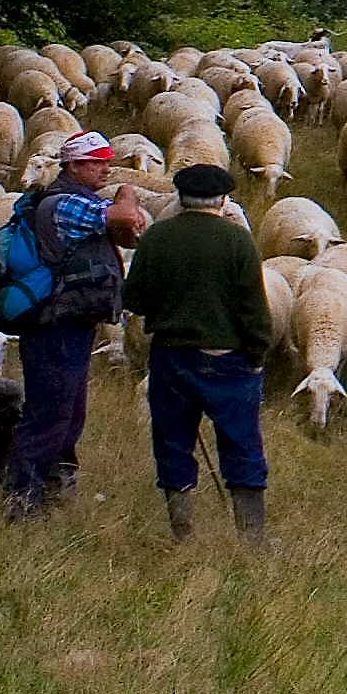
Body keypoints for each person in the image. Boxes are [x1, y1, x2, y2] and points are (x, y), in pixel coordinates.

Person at [122, 162, 275, 545]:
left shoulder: (157, 237)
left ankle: (182, 532)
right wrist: (257, 355)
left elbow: (134, 299)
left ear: (180, 197)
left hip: (172, 358)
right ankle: (252, 538)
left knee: (173, 440)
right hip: (230, 359)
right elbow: (254, 308)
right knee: (241, 442)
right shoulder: (237, 240)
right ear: (223, 200)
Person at [3, 131, 147, 519]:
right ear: (74, 165)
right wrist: (128, 191)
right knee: (49, 411)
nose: (106, 169)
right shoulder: (64, 204)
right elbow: (125, 217)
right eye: (97, 162)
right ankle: (23, 497)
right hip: (55, 324)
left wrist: (122, 203)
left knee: (68, 410)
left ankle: (52, 487)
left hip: (73, 321)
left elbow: (131, 236)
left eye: (107, 162)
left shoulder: (80, 201)